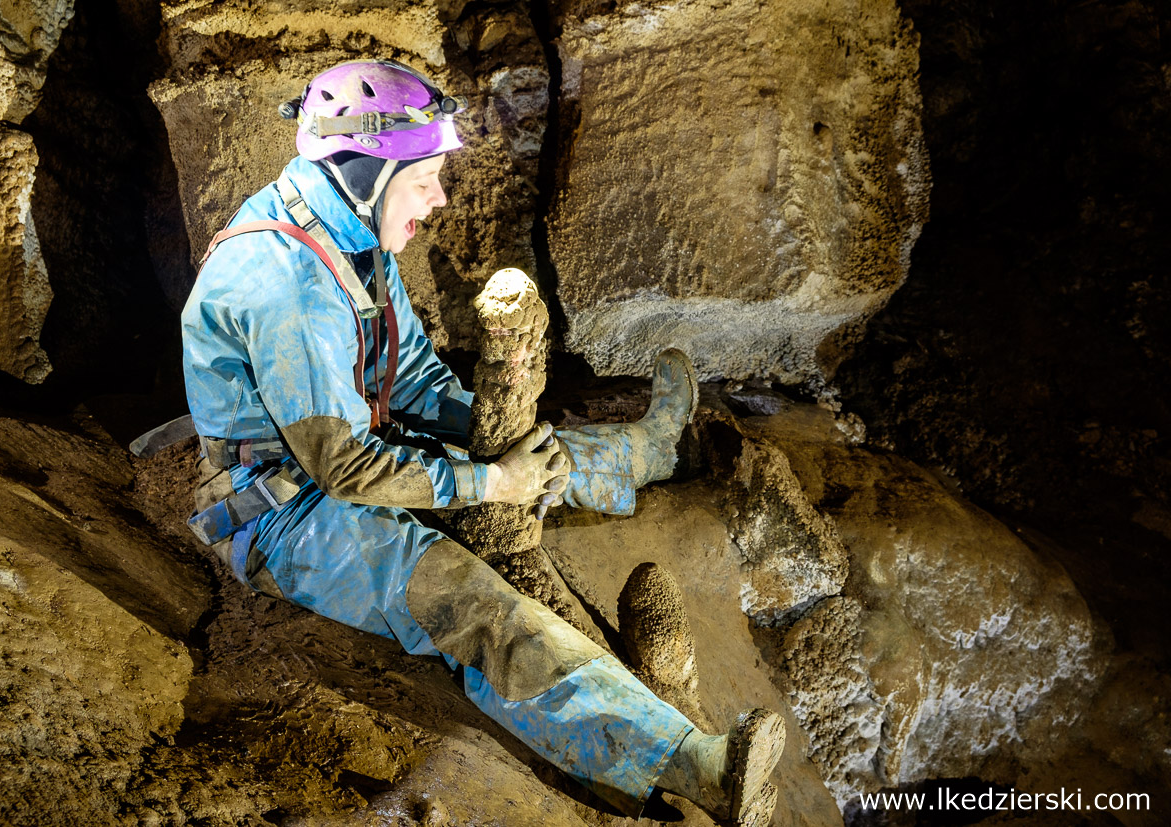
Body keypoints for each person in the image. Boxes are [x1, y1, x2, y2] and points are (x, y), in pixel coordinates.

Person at [180, 58, 785, 826]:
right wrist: (488, 483)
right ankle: (695, 763)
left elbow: (413, 382)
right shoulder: (289, 282)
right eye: (425, 175)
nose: (436, 199)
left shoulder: (348, 236)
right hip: (287, 517)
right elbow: (342, 468)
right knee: (472, 604)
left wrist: (505, 439)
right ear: (367, 170)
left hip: (345, 457)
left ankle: (652, 450)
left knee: (528, 449)